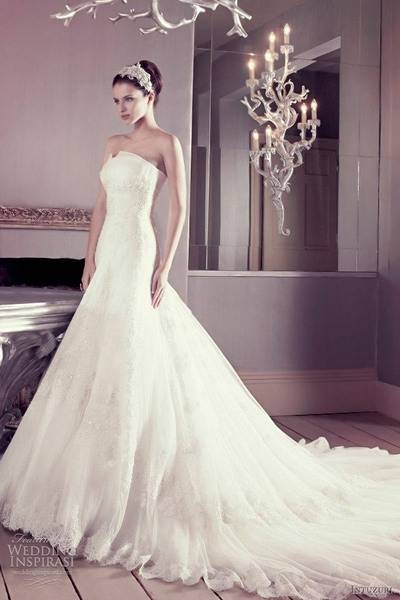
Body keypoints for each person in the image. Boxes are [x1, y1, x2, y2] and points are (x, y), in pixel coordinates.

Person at [0, 59, 399, 600]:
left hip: (139, 251)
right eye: (116, 100)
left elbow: (181, 209)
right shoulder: (112, 144)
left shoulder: (167, 144)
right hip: (110, 254)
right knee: (97, 355)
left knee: (137, 348)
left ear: (150, 96)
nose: (121, 108)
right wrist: (89, 258)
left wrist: (163, 267)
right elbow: (101, 204)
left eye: (129, 98)